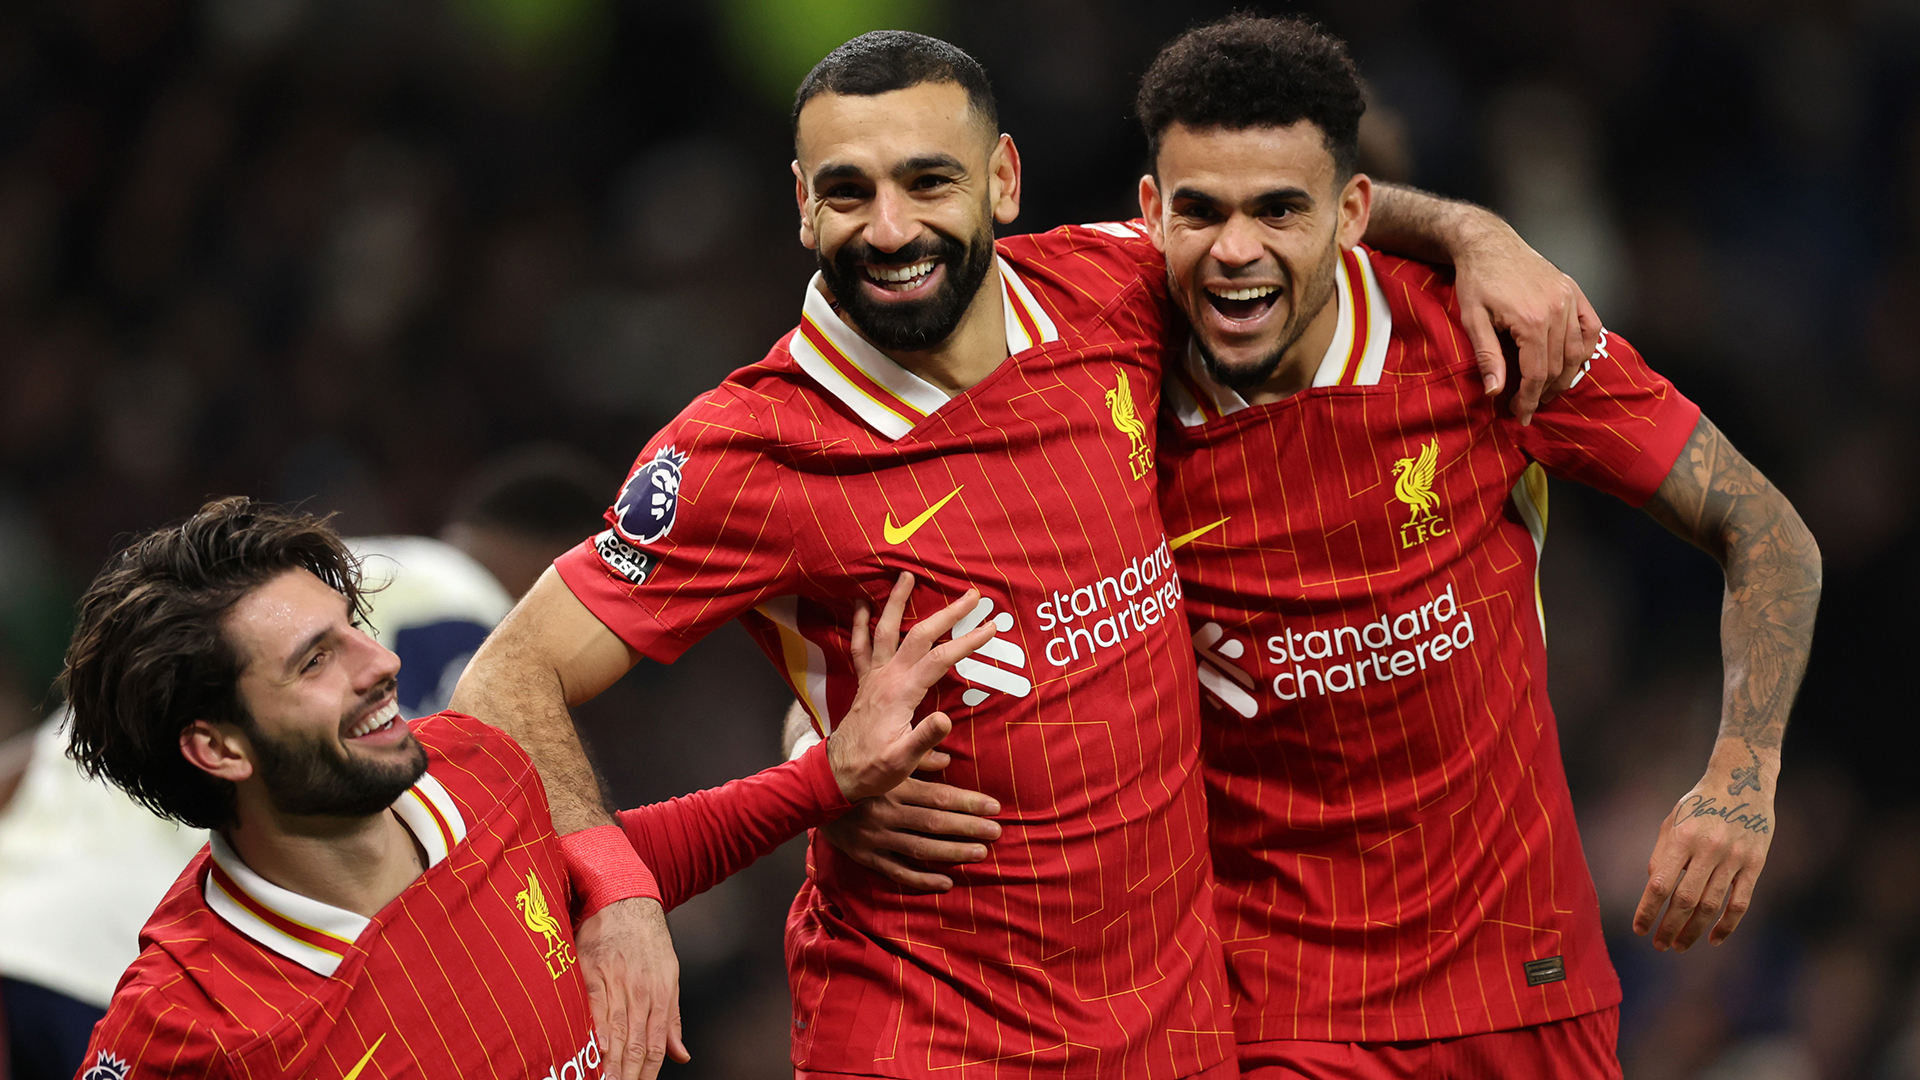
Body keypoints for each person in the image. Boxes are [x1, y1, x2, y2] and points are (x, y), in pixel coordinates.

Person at [451, 29, 1601, 1080]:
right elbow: (509, 676)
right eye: (847, 192)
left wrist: (1470, 231)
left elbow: (1275, 208)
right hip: (931, 1035)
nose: (890, 229)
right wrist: (615, 891)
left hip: (1176, 1033)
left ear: (1002, 179)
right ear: (802, 207)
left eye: (928, 182)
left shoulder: (1108, 289)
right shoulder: (746, 450)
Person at [1131, 17, 1817, 1076]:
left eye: (1280, 209)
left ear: (1353, 212)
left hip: (1528, 989)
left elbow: (1768, 531)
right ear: (1150, 214)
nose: (1235, 249)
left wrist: (1740, 777)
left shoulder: (1492, 337)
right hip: (1290, 1014)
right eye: (1201, 211)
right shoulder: (1100, 359)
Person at [61, 497, 989, 1079]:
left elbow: (612, 861)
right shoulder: (187, 1029)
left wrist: (829, 776)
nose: (380, 663)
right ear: (218, 748)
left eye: (353, 628)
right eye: (315, 662)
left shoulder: (471, 762)